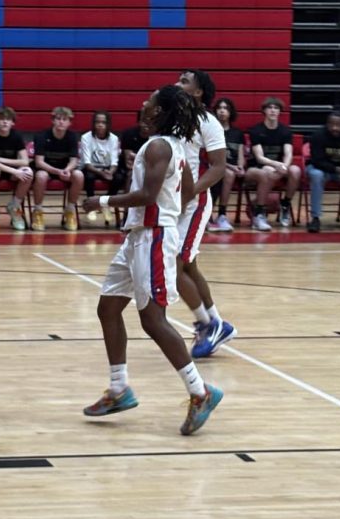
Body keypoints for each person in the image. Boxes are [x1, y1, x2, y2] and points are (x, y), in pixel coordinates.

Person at [80, 85, 224, 436]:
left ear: (159, 112)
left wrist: (99, 203)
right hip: (137, 238)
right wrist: (171, 202)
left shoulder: (161, 146)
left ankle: (200, 392)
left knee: (153, 320)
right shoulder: (170, 147)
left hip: (153, 238)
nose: (144, 103)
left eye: (151, 101)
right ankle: (119, 388)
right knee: (108, 309)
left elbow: (147, 195)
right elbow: (187, 189)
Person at [174, 69, 234, 360]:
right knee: (189, 267)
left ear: (198, 92)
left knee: (175, 266)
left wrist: (191, 191)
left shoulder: (208, 122)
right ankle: (216, 323)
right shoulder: (172, 117)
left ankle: (207, 323)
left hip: (194, 203)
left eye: (184, 81)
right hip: (170, 202)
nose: (177, 83)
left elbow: (219, 166)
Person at [246, 97, 301, 231]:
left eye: (276, 108)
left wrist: (284, 166)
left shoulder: (285, 131)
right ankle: (259, 213)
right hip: (258, 168)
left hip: (279, 167)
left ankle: (285, 204)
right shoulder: (256, 130)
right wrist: (277, 165)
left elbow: (288, 154)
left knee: (295, 170)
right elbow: (259, 157)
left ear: (280, 112)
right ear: (264, 111)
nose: (273, 110)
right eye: (269, 107)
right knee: (266, 171)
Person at [32, 106, 85, 232]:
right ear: (53, 121)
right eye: (58, 119)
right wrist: (57, 172)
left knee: (79, 175)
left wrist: (67, 170)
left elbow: (74, 160)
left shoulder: (72, 136)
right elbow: (39, 162)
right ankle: (38, 211)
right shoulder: (41, 136)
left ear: (69, 122)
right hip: (47, 170)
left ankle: (70, 211)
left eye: (65, 119)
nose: (61, 121)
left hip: (64, 170)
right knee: (40, 176)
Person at [0, 106, 33, 231]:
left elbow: (25, 161)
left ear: (12, 122)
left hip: (10, 171)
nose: (5, 122)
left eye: (8, 119)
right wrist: (15, 170)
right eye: (1, 119)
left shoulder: (16, 136)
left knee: (29, 172)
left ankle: (14, 206)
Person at [79, 110, 121, 227]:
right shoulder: (86, 137)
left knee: (118, 178)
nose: (100, 125)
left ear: (108, 124)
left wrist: (111, 172)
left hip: (107, 168)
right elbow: (86, 163)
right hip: (91, 168)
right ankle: (91, 204)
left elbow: (114, 161)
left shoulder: (114, 138)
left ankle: (105, 204)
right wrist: (102, 174)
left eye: (103, 122)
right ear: (93, 123)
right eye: (97, 122)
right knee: (89, 176)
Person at [208, 97, 243, 233]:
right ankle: (217, 213)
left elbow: (240, 155)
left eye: (225, 108)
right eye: (219, 108)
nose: (222, 111)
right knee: (227, 173)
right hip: (216, 167)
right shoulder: (212, 131)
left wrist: (240, 166)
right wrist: (231, 167)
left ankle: (221, 216)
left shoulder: (237, 133)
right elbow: (211, 157)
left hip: (232, 169)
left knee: (230, 173)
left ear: (230, 112)